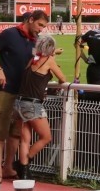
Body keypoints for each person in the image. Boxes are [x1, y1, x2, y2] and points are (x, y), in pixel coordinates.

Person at [0, 10, 49, 183]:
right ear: (30, 20)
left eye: (44, 27)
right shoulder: (9, 34)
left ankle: (8, 168)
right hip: (4, 90)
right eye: (40, 25)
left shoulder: (36, 41)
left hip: (23, 95)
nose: (41, 29)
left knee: (15, 133)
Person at [12, 33, 71, 180]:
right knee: (46, 137)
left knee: (25, 139)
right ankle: (22, 164)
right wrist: (54, 62)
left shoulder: (33, 60)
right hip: (32, 104)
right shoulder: (49, 60)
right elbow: (62, 79)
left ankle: (24, 174)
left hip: (18, 103)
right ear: (51, 49)